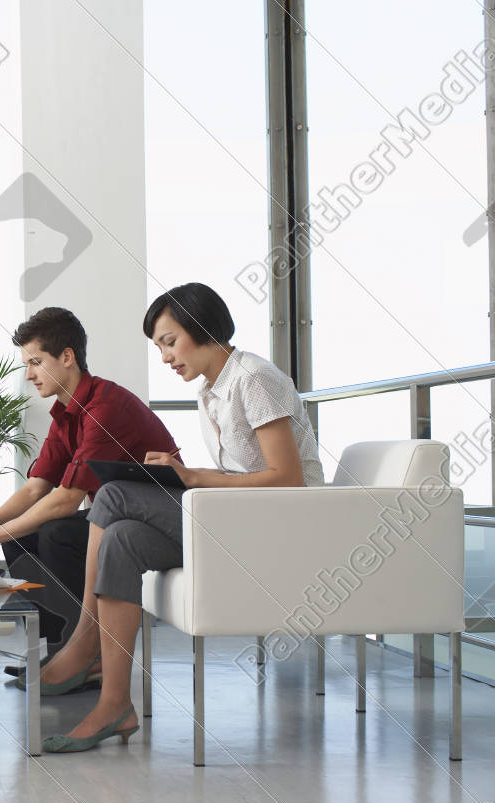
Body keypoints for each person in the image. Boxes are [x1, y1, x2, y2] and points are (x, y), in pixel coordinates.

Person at [38, 282, 323, 753]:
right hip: (240, 519)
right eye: (159, 348)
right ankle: (115, 704)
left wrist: (189, 477)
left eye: (170, 342)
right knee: (122, 539)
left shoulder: (253, 378)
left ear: (202, 327)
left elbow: (288, 479)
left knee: (111, 495)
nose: (166, 357)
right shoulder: (212, 391)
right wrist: (181, 476)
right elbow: (239, 472)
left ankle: (84, 641)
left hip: (279, 527)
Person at [0, 307, 178, 667]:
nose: (29, 374)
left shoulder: (104, 408)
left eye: (36, 362)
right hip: (110, 517)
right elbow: (36, 489)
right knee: (22, 536)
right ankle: (59, 651)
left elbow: (66, 500)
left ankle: (89, 657)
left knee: (57, 532)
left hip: (155, 521)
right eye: (26, 364)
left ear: (67, 356)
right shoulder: (66, 413)